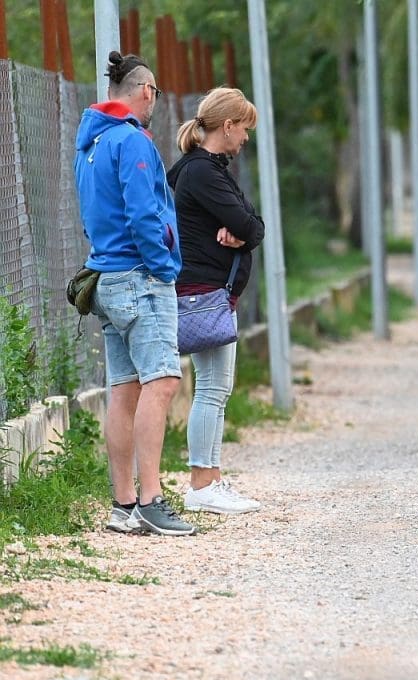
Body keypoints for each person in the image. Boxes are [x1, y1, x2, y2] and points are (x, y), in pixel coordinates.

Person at [74, 51, 194, 536]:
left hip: (106, 276)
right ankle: (151, 499)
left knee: (124, 389)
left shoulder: (91, 143)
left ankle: (123, 505)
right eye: (156, 94)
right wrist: (165, 269)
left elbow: (92, 215)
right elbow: (144, 215)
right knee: (162, 382)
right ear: (146, 91)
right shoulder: (132, 141)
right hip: (141, 278)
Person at [167, 87, 264, 515]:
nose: (245, 137)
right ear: (227, 125)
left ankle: (212, 478)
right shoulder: (202, 173)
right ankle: (201, 484)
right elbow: (250, 223)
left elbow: (250, 224)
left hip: (212, 291)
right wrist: (244, 231)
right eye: (244, 128)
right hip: (203, 291)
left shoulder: (208, 169)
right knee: (211, 388)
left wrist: (244, 231)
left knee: (215, 387)